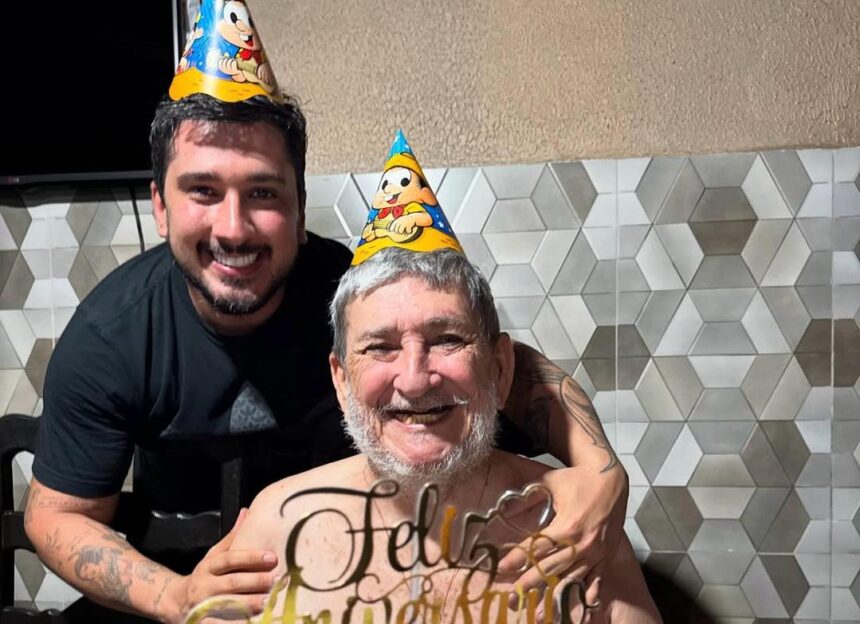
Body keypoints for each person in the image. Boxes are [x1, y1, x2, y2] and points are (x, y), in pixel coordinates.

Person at [23, 3, 628, 622]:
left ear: (299, 204)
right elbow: (56, 515)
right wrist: (171, 597)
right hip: (177, 589)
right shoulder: (110, 337)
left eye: (262, 192)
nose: (233, 228)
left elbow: (498, 370)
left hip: (343, 582)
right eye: (203, 191)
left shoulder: (351, 293)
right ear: (159, 206)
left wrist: (603, 473)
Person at [196, 247, 659, 624]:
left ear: (500, 368)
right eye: (380, 347)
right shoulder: (279, 524)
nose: (415, 381)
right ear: (341, 381)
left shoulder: (579, 525)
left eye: (447, 340)